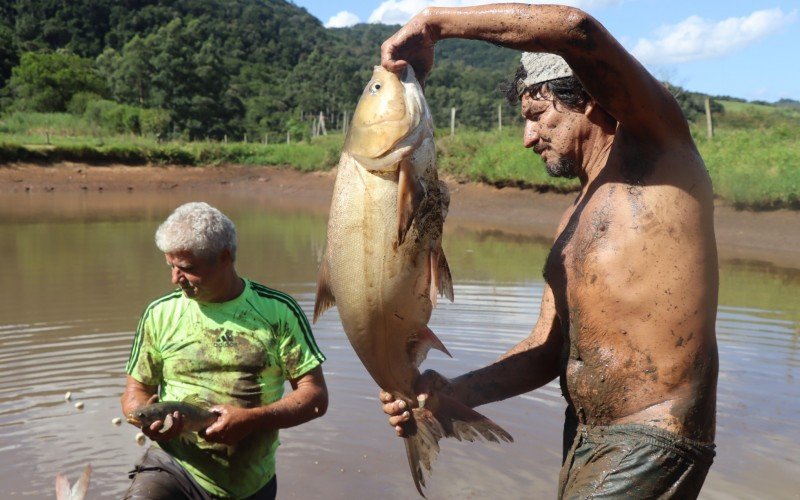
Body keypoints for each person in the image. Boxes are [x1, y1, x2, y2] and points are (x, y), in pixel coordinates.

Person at [378, 4, 719, 498]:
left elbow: (576, 30)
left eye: (538, 116)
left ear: (590, 101)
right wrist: (450, 392)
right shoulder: (574, 216)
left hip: (653, 436)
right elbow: (544, 349)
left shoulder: (659, 148)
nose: (527, 137)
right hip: (586, 437)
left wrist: (436, 23)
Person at [121, 202, 328, 499]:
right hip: (174, 467)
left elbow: (316, 398)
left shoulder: (278, 312)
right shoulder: (159, 314)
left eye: (188, 269)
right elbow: (134, 392)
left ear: (224, 258)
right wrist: (144, 418)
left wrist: (252, 419)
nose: (175, 279)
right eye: (172, 266)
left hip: (249, 481)